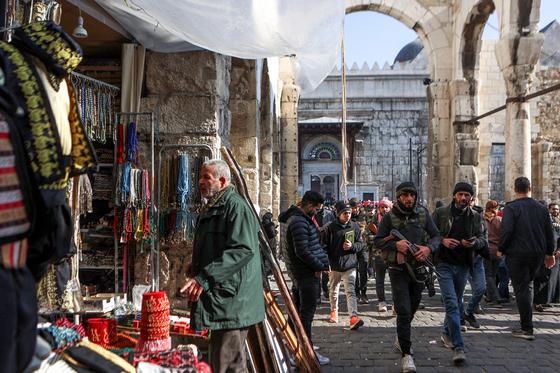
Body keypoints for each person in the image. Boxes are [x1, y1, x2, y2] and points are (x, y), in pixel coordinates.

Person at [180, 159, 265, 373]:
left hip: (232, 300)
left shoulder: (235, 206)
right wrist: (196, 265)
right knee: (226, 362)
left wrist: (204, 278)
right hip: (223, 299)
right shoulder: (216, 205)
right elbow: (221, 246)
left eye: (206, 177)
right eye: (200, 177)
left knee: (228, 366)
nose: (200, 182)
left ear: (223, 180)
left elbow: (242, 250)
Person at [375, 182, 441, 373]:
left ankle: (400, 337)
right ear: (398, 197)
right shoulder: (389, 218)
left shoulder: (423, 214)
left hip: (419, 270)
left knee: (412, 307)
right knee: (403, 309)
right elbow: (378, 241)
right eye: (404, 195)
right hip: (398, 269)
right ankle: (406, 354)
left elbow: (437, 236)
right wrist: (396, 246)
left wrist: (428, 248)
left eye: (411, 195)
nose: (408, 199)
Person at [432, 182, 488, 365]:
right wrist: (443, 241)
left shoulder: (476, 217)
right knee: (452, 303)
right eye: (461, 194)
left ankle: (447, 333)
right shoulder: (441, 214)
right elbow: (429, 235)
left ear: (471, 198)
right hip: (444, 264)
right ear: (455, 195)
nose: (464, 198)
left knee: (456, 301)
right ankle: (458, 346)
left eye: (467, 195)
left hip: (463, 265)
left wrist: (473, 243)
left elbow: (483, 239)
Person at [498, 177, 556, 340]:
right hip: (537, 254)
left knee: (522, 288)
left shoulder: (511, 208)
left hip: (517, 254)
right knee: (528, 286)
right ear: (530, 188)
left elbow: (507, 230)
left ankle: (527, 328)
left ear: (515, 189)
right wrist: (550, 253)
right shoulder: (541, 208)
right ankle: (527, 325)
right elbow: (549, 233)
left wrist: (501, 248)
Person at [279, 191, 331, 365]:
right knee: (305, 316)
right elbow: (302, 251)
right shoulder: (299, 221)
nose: (316, 212)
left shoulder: (299, 219)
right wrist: (319, 266)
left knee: (297, 313)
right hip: (305, 275)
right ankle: (305, 352)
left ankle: (294, 346)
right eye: (316, 209)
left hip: (302, 274)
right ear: (309, 205)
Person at [324, 201, 364, 330]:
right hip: (334, 264)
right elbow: (324, 246)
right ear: (339, 214)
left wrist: (352, 247)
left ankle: (353, 316)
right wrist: (326, 262)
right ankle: (333, 311)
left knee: (350, 291)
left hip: (350, 264)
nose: (348, 215)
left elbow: (360, 244)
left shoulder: (355, 226)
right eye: (345, 213)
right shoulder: (330, 228)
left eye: (349, 213)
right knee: (333, 289)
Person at [483, 200, 508, 306]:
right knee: (492, 275)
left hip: (486, 250)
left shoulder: (482, 219)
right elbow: (504, 236)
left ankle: (495, 297)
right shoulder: (500, 220)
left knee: (489, 275)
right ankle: (490, 297)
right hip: (498, 251)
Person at [372, 198, 393, 312]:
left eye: (386, 207)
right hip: (378, 253)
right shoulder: (374, 220)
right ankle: (381, 301)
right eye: (382, 207)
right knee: (379, 279)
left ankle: (396, 302)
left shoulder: (394, 220)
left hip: (392, 253)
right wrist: (380, 239)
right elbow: (367, 236)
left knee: (395, 279)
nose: (384, 209)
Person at [350, 198, 369, 304]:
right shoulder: (348, 216)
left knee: (363, 270)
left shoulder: (365, 216)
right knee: (354, 271)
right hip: (352, 248)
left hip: (363, 247)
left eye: (356, 207)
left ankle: (364, 293)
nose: (354, 210)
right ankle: (356, 293)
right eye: (353, 207)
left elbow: (371, 229)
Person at [547, 203, 560, 304]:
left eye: (557, 209)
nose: (555, 211)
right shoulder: (548, 220)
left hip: (558, 251)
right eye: (553, 209)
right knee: (551, 276)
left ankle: (556, 297)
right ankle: (549, 298)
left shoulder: (558, 220)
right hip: (552, 252)